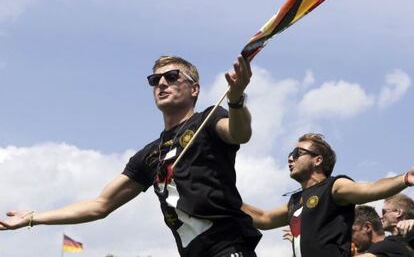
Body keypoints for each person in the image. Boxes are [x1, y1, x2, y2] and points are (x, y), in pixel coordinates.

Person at [0, 55, 262, 257]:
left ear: (194, 89)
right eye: (154, 79)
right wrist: (33, 217)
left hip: (229, 246)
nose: (161, 83)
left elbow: (239, 133)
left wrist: (236, 100)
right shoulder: (149, 155)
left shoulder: (208, 120)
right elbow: (100, 205)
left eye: (171, 76)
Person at [241, 133, 414, 257]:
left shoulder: (333, 187)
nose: (290, 158)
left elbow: (369, 189)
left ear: (318, 160)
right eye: (289, 154)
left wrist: (405, 178)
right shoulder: (295, 200)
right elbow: (263, 218)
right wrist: (221, 197)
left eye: (297, 153)